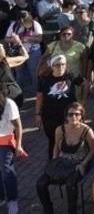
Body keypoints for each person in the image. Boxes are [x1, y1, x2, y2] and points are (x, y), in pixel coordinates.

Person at [36, 102, 94, 214]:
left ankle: (72, 211)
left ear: (81, 115)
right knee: (40, 183)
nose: (73, 117)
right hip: (62, 162)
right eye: (70, 114)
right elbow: (55, 148)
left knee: (71, 184)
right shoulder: (60, 130)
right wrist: (54, 161)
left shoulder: (87, 131)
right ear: (66, 116)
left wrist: (84, 163)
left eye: (77, 114)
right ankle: (48, 210)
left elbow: (93, 150)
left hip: (78, 163)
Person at [35, 53, 83, 158]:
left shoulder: (70, 75)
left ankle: (69, 158)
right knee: (53, 139)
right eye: (57, 65)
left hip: (69, 114)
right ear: (52, 66)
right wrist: (37, 113)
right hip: (50, 115)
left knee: (69, 137)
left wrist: (82, 102)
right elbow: (39, 96)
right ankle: (53, 161)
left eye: (63, 64)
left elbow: (85, 83)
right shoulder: (44, 79)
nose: (61, 67)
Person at [0, 84, 24, 214]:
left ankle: (12, 200)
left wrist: (19, 144)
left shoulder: (9, 105)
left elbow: (18, 126)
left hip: (5, 140)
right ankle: (2, 197)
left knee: (6, 171)